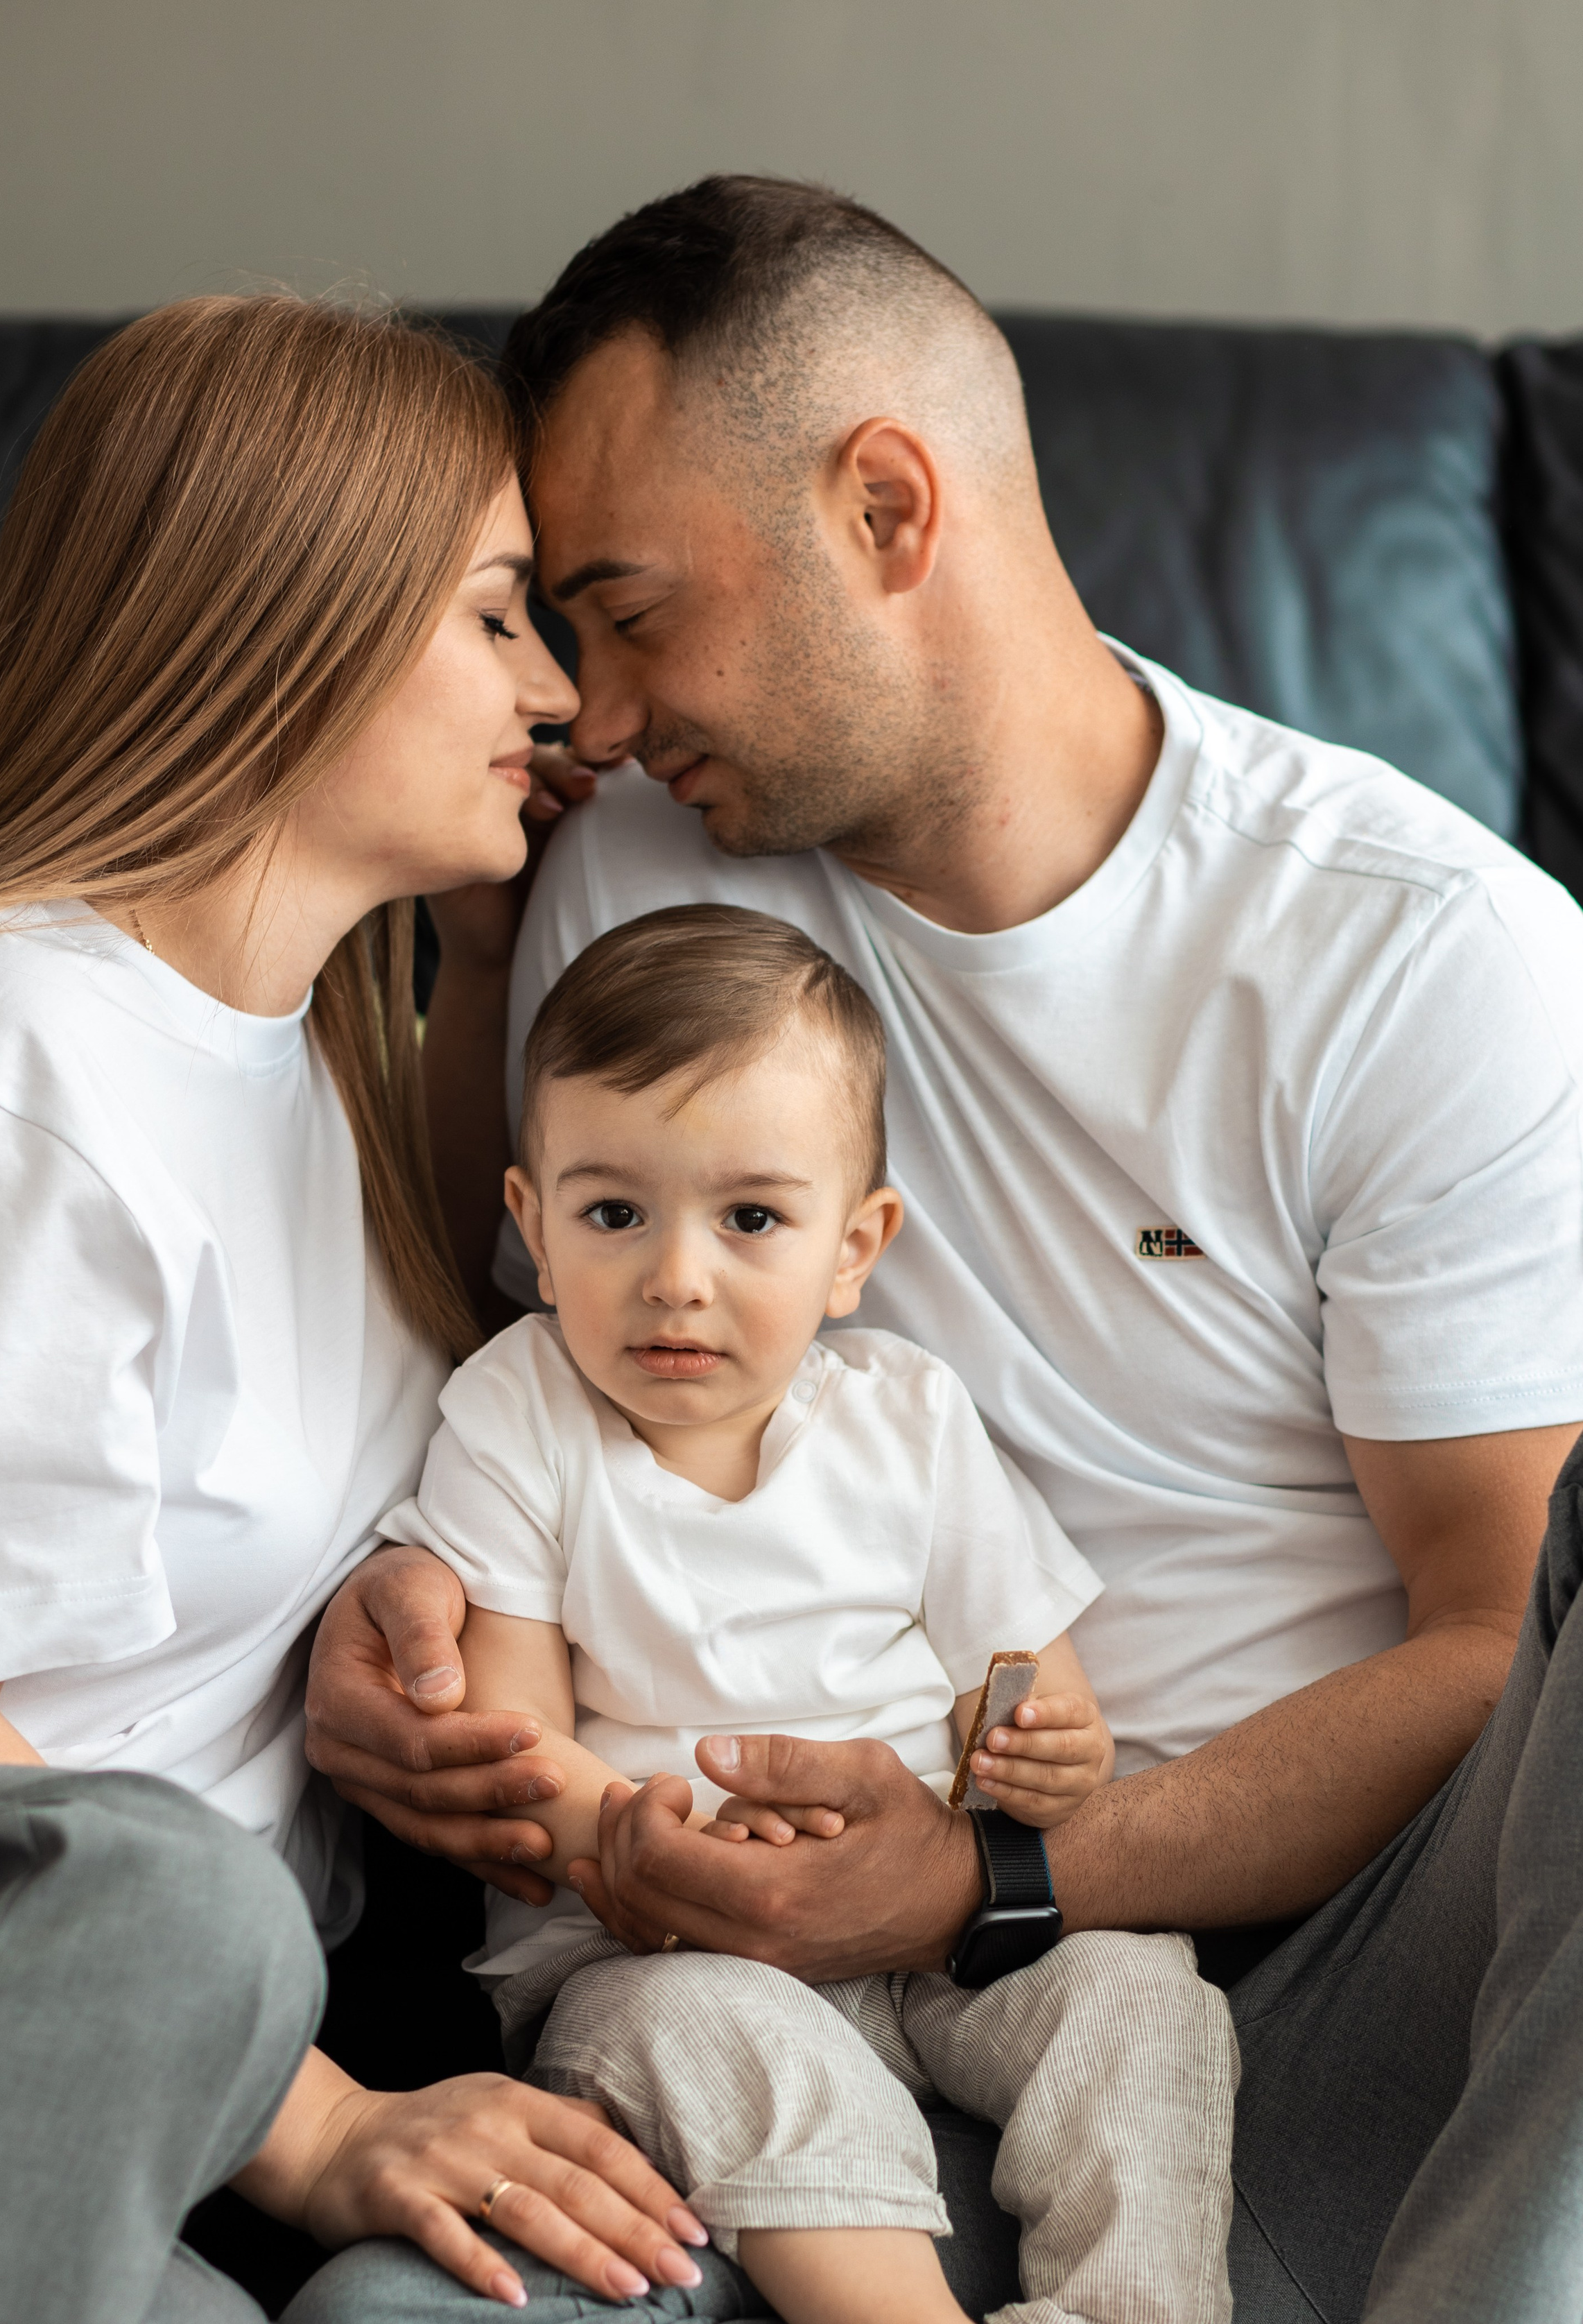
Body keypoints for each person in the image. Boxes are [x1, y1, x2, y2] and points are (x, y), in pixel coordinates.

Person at [303, 180, 1583, 2319]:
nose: (591, 719)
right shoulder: (624, 876)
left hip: (1355, 1968)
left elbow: (1494, 1638)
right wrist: (393, 1606)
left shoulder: (1419, 959)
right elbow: (500, 1363)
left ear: (889, 508)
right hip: (755, 1998)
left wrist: (987, 1884)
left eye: (628, 612)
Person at [0, 291, 711, 2323]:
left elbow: (389, 1383)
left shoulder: (300, 1028)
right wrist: (323, 2131)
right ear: (285, 618)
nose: (561, 693)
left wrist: (482, 966)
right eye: (495, 616)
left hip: (247, 2024)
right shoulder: (0, 1061)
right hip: (26, 2009)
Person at [394, 902, 1238, 2324]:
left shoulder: (901, 1413)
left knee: (1137, 1996)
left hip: (930, 1927)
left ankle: (1123, 2306)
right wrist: (649, 1838)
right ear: (530, 1224)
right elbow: (512, 1735)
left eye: (750, 1219)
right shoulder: (513, 1414)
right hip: (650, 1941)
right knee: (714, 2039)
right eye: (613, 1213)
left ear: (853, 1247)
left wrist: (1043, 1746)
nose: (676, 1273)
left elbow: (1017, 1672)